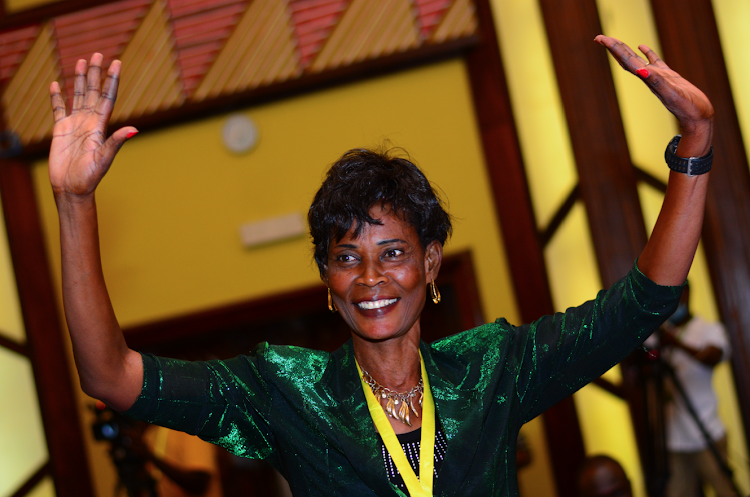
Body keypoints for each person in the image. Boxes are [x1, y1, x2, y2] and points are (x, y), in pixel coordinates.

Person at [47, 35, 713, 496]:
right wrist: (75, 204)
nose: (370, 278)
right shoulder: (285, 389)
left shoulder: (493, 369)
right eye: (346, 258)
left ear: (430, 263)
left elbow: (643, 302)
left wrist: (696, 144)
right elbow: (111, 375)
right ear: (325, 280)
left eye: (392, 253)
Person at [658, 284, 736, 497]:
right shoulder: (660, 332)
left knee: (725, 490)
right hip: (674, 439)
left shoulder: (709, 329)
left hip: (707, 431)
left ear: (688, 294)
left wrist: (677, 344)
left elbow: (711, 357)